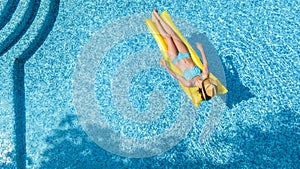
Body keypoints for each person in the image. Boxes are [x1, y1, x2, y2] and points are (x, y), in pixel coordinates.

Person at [152, 9, 218, 100]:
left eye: (205, 85)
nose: (205, 82)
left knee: (168, 38)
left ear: (201, 88)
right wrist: (201, 49)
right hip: (185, 54)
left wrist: (165, 66)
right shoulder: (205, 76)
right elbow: (205, 63)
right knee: (173, 34)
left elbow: (176, 75)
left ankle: (156, 20)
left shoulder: (189, 83)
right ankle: (158, 16)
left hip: (175, 59)